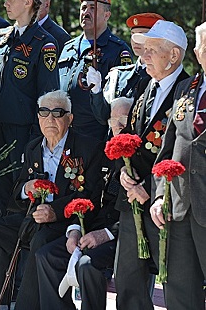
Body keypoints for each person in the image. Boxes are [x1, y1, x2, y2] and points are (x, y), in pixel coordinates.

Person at [0, 90, 104, 310]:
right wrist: (27, 188)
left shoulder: (87, 148)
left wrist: (55, 210)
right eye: (44, 112)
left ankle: (26, 306)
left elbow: (89, 194)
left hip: (67, 221)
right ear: (38, 117)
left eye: (57, 112)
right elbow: (18, 191)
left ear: (70, 118)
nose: (50, 119)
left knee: (40, 240)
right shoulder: (34, 147)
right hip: (34, 216)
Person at [116, 20, 189, 310]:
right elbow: (134, 138)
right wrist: (125, 171)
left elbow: (182, 152)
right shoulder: (147, 87)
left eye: (152, 50)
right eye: (143, 49)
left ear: (173, 56)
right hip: (132, 201)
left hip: (166, 202)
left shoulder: (188, 92)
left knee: (175, 284)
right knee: (127, 282)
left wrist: (149, 188)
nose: (143, 56)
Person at [35, 96, 133, 310]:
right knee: (47, 255)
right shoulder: (106, 156)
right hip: (92, 231)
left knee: (86, 265)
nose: (119, 127)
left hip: (125, 235)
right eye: (113, 122)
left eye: (124, 120)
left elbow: (136, 214)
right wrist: (74, 230)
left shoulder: (142, 158)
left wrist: (105, 233)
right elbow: (90, 199)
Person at [0, 0, 59, 221]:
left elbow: (47, 96)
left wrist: (38, 140)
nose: (5, 3)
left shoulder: (44, 43)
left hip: (23, 132)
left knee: (18, 192)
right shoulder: (2, 36)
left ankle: (16, 248)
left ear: (28, 2)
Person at [149, 21, 206, 310]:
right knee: (180, 291)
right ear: (197, 52)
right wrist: (160, 195)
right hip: (180, 207)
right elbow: (167, 149)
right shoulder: (187, 88)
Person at [58, 0, 133, 141]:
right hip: (63, 133)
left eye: (93, 8)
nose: (86, 12)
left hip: (95, 136)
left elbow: (122, 101)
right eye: (83, 8)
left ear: (107, 15)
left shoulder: (117, 50)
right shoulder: (68, 47)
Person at [88, 12, 164, 127]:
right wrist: (96, 90)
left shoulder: (162, 77)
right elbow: (104, 117)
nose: (135, 40)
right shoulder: (119, 75)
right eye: (132, 34)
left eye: (142, 35)